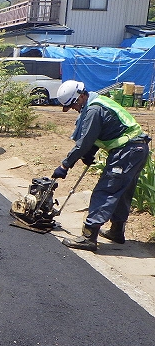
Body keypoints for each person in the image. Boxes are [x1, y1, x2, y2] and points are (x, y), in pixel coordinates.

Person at [51, 80, 151, 251]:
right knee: (122, 191)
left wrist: (65, 166)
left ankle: (89, 237)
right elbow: (101, 133)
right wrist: (90, 154)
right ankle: (117, 231)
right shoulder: (97, 103)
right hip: (137, 149)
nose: (74, 108)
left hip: (127, 152)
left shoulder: (94, 110)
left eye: (74, 104)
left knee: (105, 190)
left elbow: (84, 142)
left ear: (81, 96)